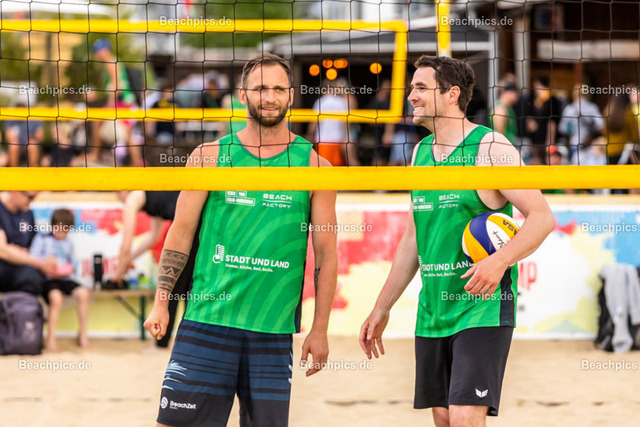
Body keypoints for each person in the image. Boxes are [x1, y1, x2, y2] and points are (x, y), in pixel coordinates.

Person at [359, 56, 555, 427]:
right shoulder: (420, 154)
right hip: (434, 307)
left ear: (451, 94)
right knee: (445, 417)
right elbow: (413, 238)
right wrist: (382, 307)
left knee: (465, 416)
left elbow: (542, 218)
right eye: (412, 87)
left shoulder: (490, 147)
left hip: (482, 306)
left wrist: (499, 261)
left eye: (421, 87)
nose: (411, 96)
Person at [144, 52, 338, 427]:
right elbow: (179, 234)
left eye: (279, 89)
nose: (270, 97)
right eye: (261, 88)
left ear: (292, 95)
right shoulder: (210, 156)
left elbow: (327, 255)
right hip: (207, 320)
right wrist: (161, 303)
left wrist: (319, 329)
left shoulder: (316, 167)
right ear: (242, 94)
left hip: (272, 331)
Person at [112, 190, 190, 349]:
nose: (119, 199)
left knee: (170, 289)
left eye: (118, 194)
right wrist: (129, 260)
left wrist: (117, 275)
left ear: (123, 190)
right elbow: (154, 237)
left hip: (189, 229)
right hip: (194, 227)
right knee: (187, 291)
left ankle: (162, 344)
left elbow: (126, 245)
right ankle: (184, 345)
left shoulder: (133, 197)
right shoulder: (155, 194)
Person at [29, 208, 90, 352]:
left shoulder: (68, 244)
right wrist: (46, 265)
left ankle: (82, 333)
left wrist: (63, 270)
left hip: (64, 277)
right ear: (52, 225)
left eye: (64, 231)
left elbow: (72, 265)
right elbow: (32, 259)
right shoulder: (42, 239)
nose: (61, 233)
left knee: (84, 293)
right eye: (58, 229)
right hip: (47, 279)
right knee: (56, 298)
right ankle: (50, 336)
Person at [0, 191, 56, 296]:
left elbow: (32, 246)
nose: (32, 201)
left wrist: (47, 260)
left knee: (36, 279)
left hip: (22, 270)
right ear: (15, 191)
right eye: (30, 197)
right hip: (5, 269)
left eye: (35, 196)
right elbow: (2, 251)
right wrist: (40, 263)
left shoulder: (27, 213)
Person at [306, 78, 351, 166]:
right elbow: (345, 124)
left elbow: (314, 123)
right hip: (338, 139)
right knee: (336, 167)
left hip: (323, 140)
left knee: (323, 167)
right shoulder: (342, 102)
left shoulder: (320, 102)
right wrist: (346, 137)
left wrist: (309, 135)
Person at [558, 83, 603, 165]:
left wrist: (571, 131)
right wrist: (591, 132)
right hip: (590, 145)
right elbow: (601, 125)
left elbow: (562, 128)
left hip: (575, 143)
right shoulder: (592, 107)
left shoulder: (569, 109)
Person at [527, 76, 562, 164]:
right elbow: (530, 116)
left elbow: (552, 122)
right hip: (536, 139)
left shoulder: (552, 100)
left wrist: (550, 140)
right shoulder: (534, 99)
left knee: (547, 161)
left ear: (537, 84)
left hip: (546, 139)